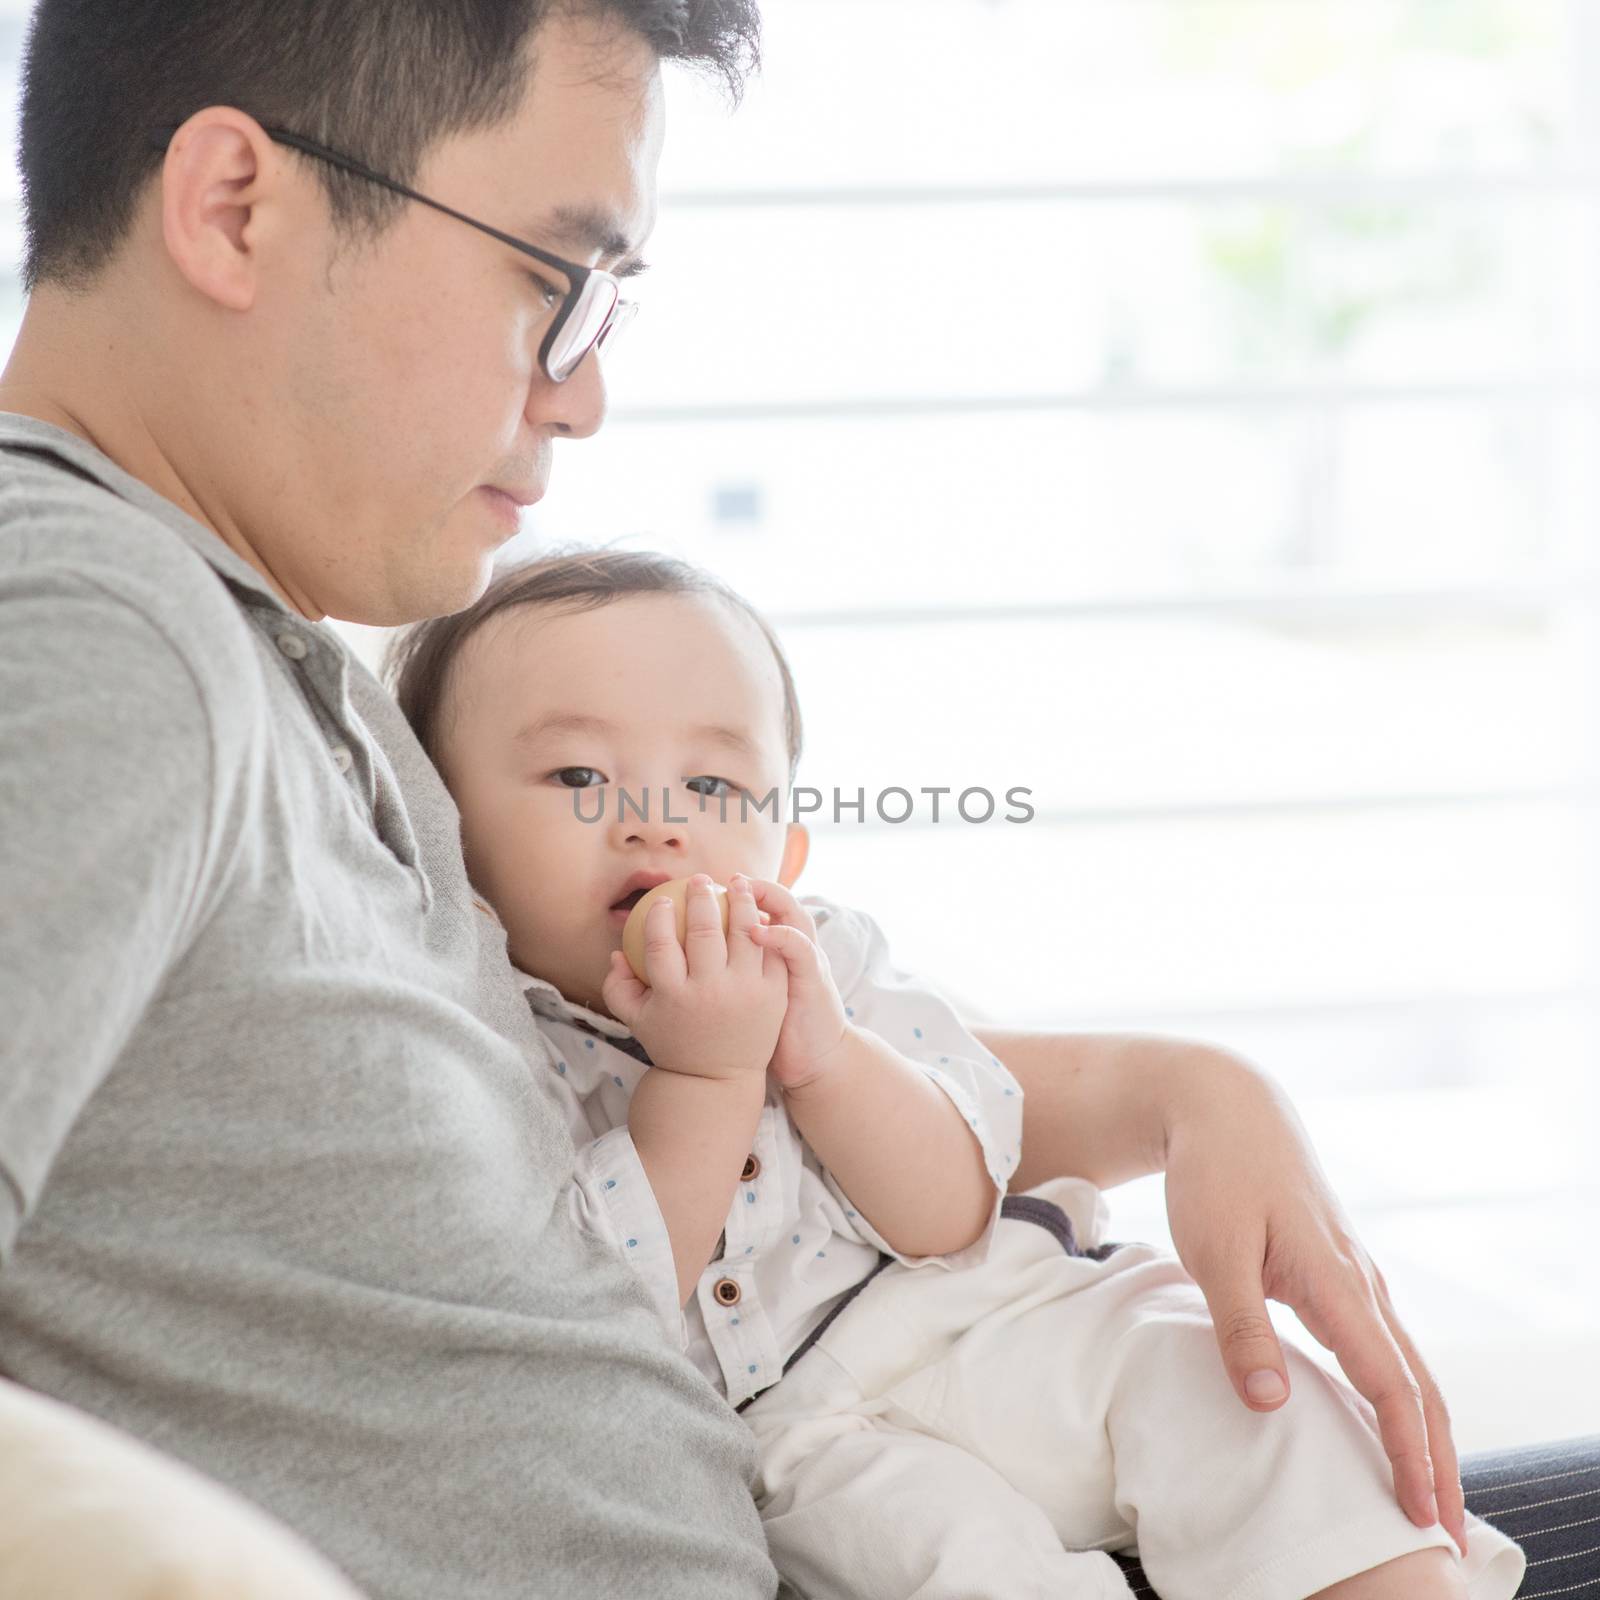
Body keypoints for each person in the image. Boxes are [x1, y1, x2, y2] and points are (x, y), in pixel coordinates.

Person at [0, 2, 1594, 1598]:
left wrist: (1178, 1085)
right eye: (553, 284)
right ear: (233, 208)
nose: (583, 396)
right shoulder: (93, 629)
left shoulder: (259, 650)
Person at [385, 545, 1527, 1600]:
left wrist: (820, 1054)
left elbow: (950, 1211)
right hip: (798, 1439)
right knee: (955, 1561)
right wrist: (710, 1077)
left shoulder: (832, 960)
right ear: (451, 846)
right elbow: (597, 1307)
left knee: (1213, 1375)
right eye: (581, 775)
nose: (657, 826)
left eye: (716, 789)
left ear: (784, 853)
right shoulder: (486, 1047)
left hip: (988, 1311)